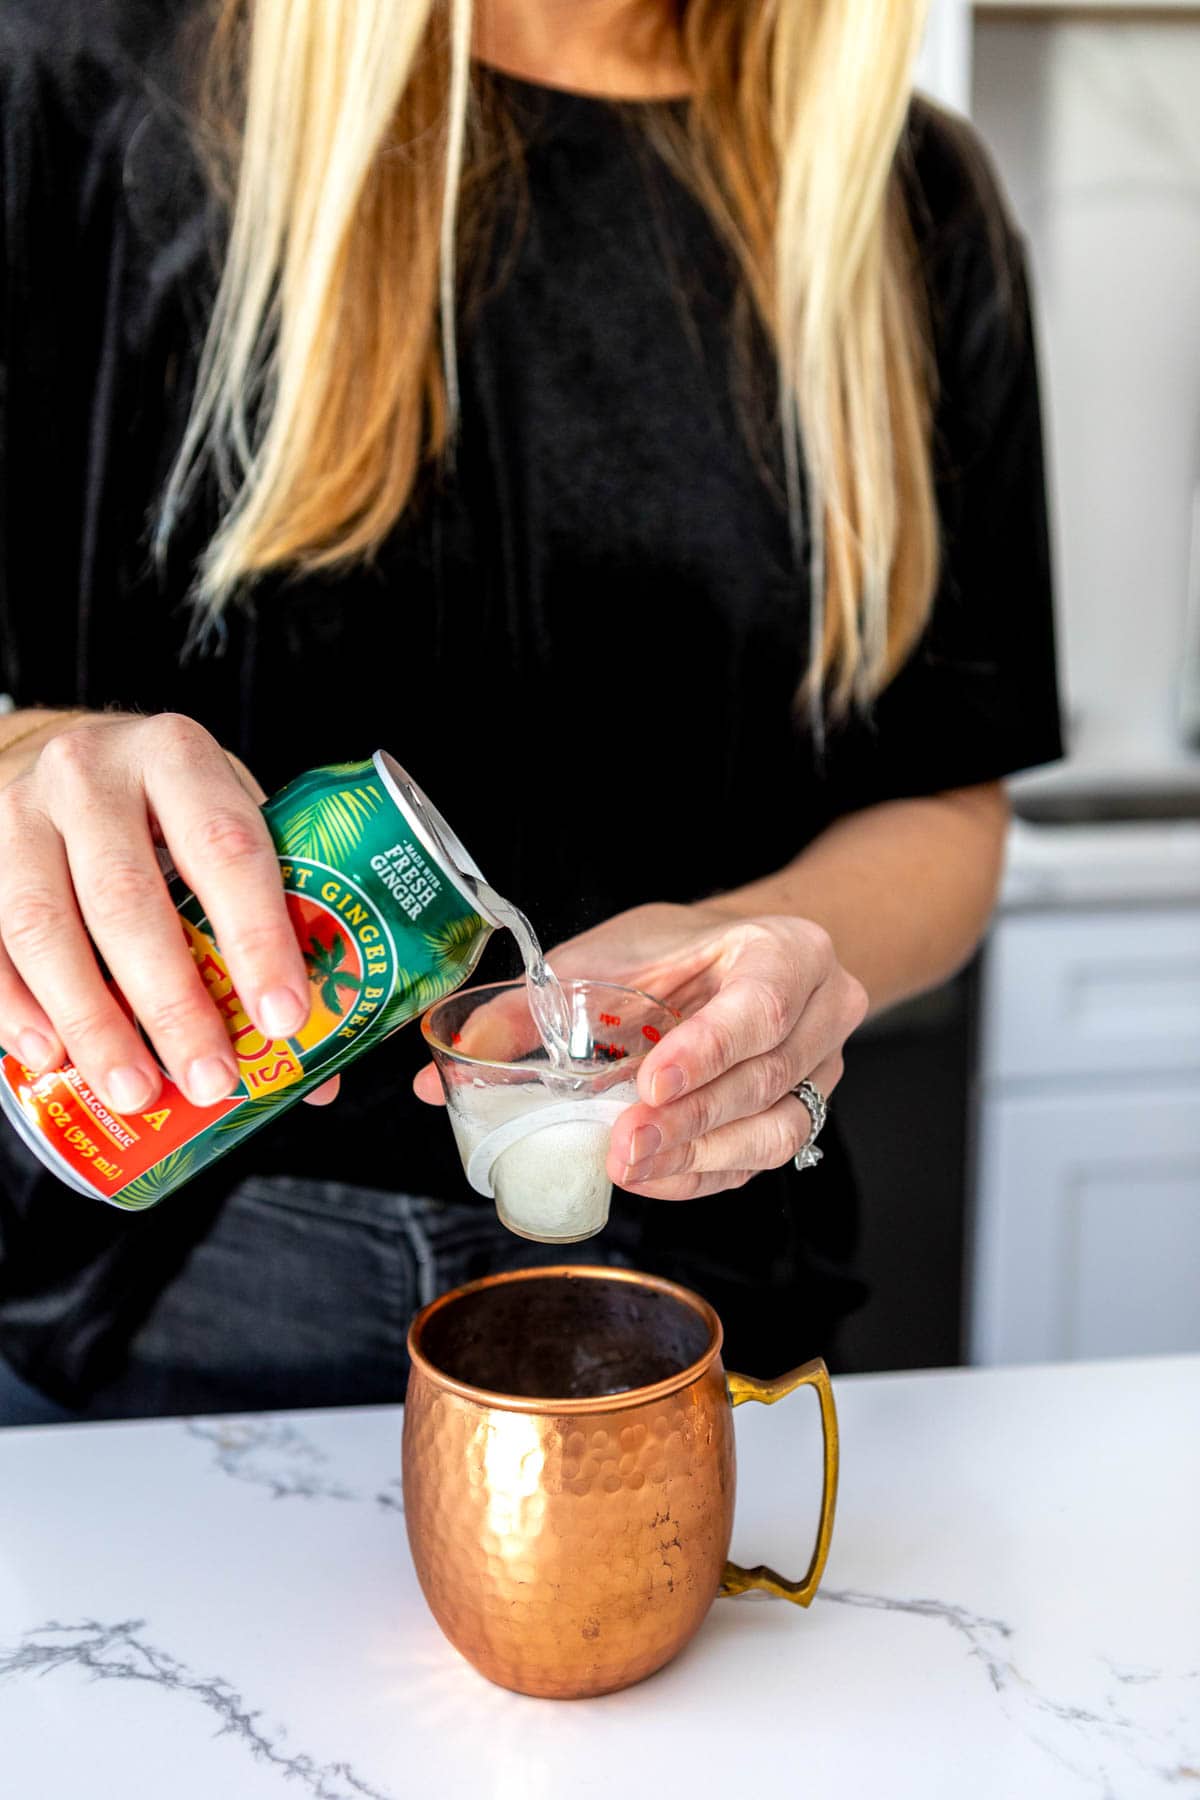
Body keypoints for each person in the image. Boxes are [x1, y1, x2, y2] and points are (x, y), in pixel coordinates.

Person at [0, 0, 1060, 1423]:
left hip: (701, 1264)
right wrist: (22, 757)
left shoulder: (907, 195)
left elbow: (943, 799)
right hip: (161, 1274)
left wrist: (760, 959)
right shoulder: (80, 81)